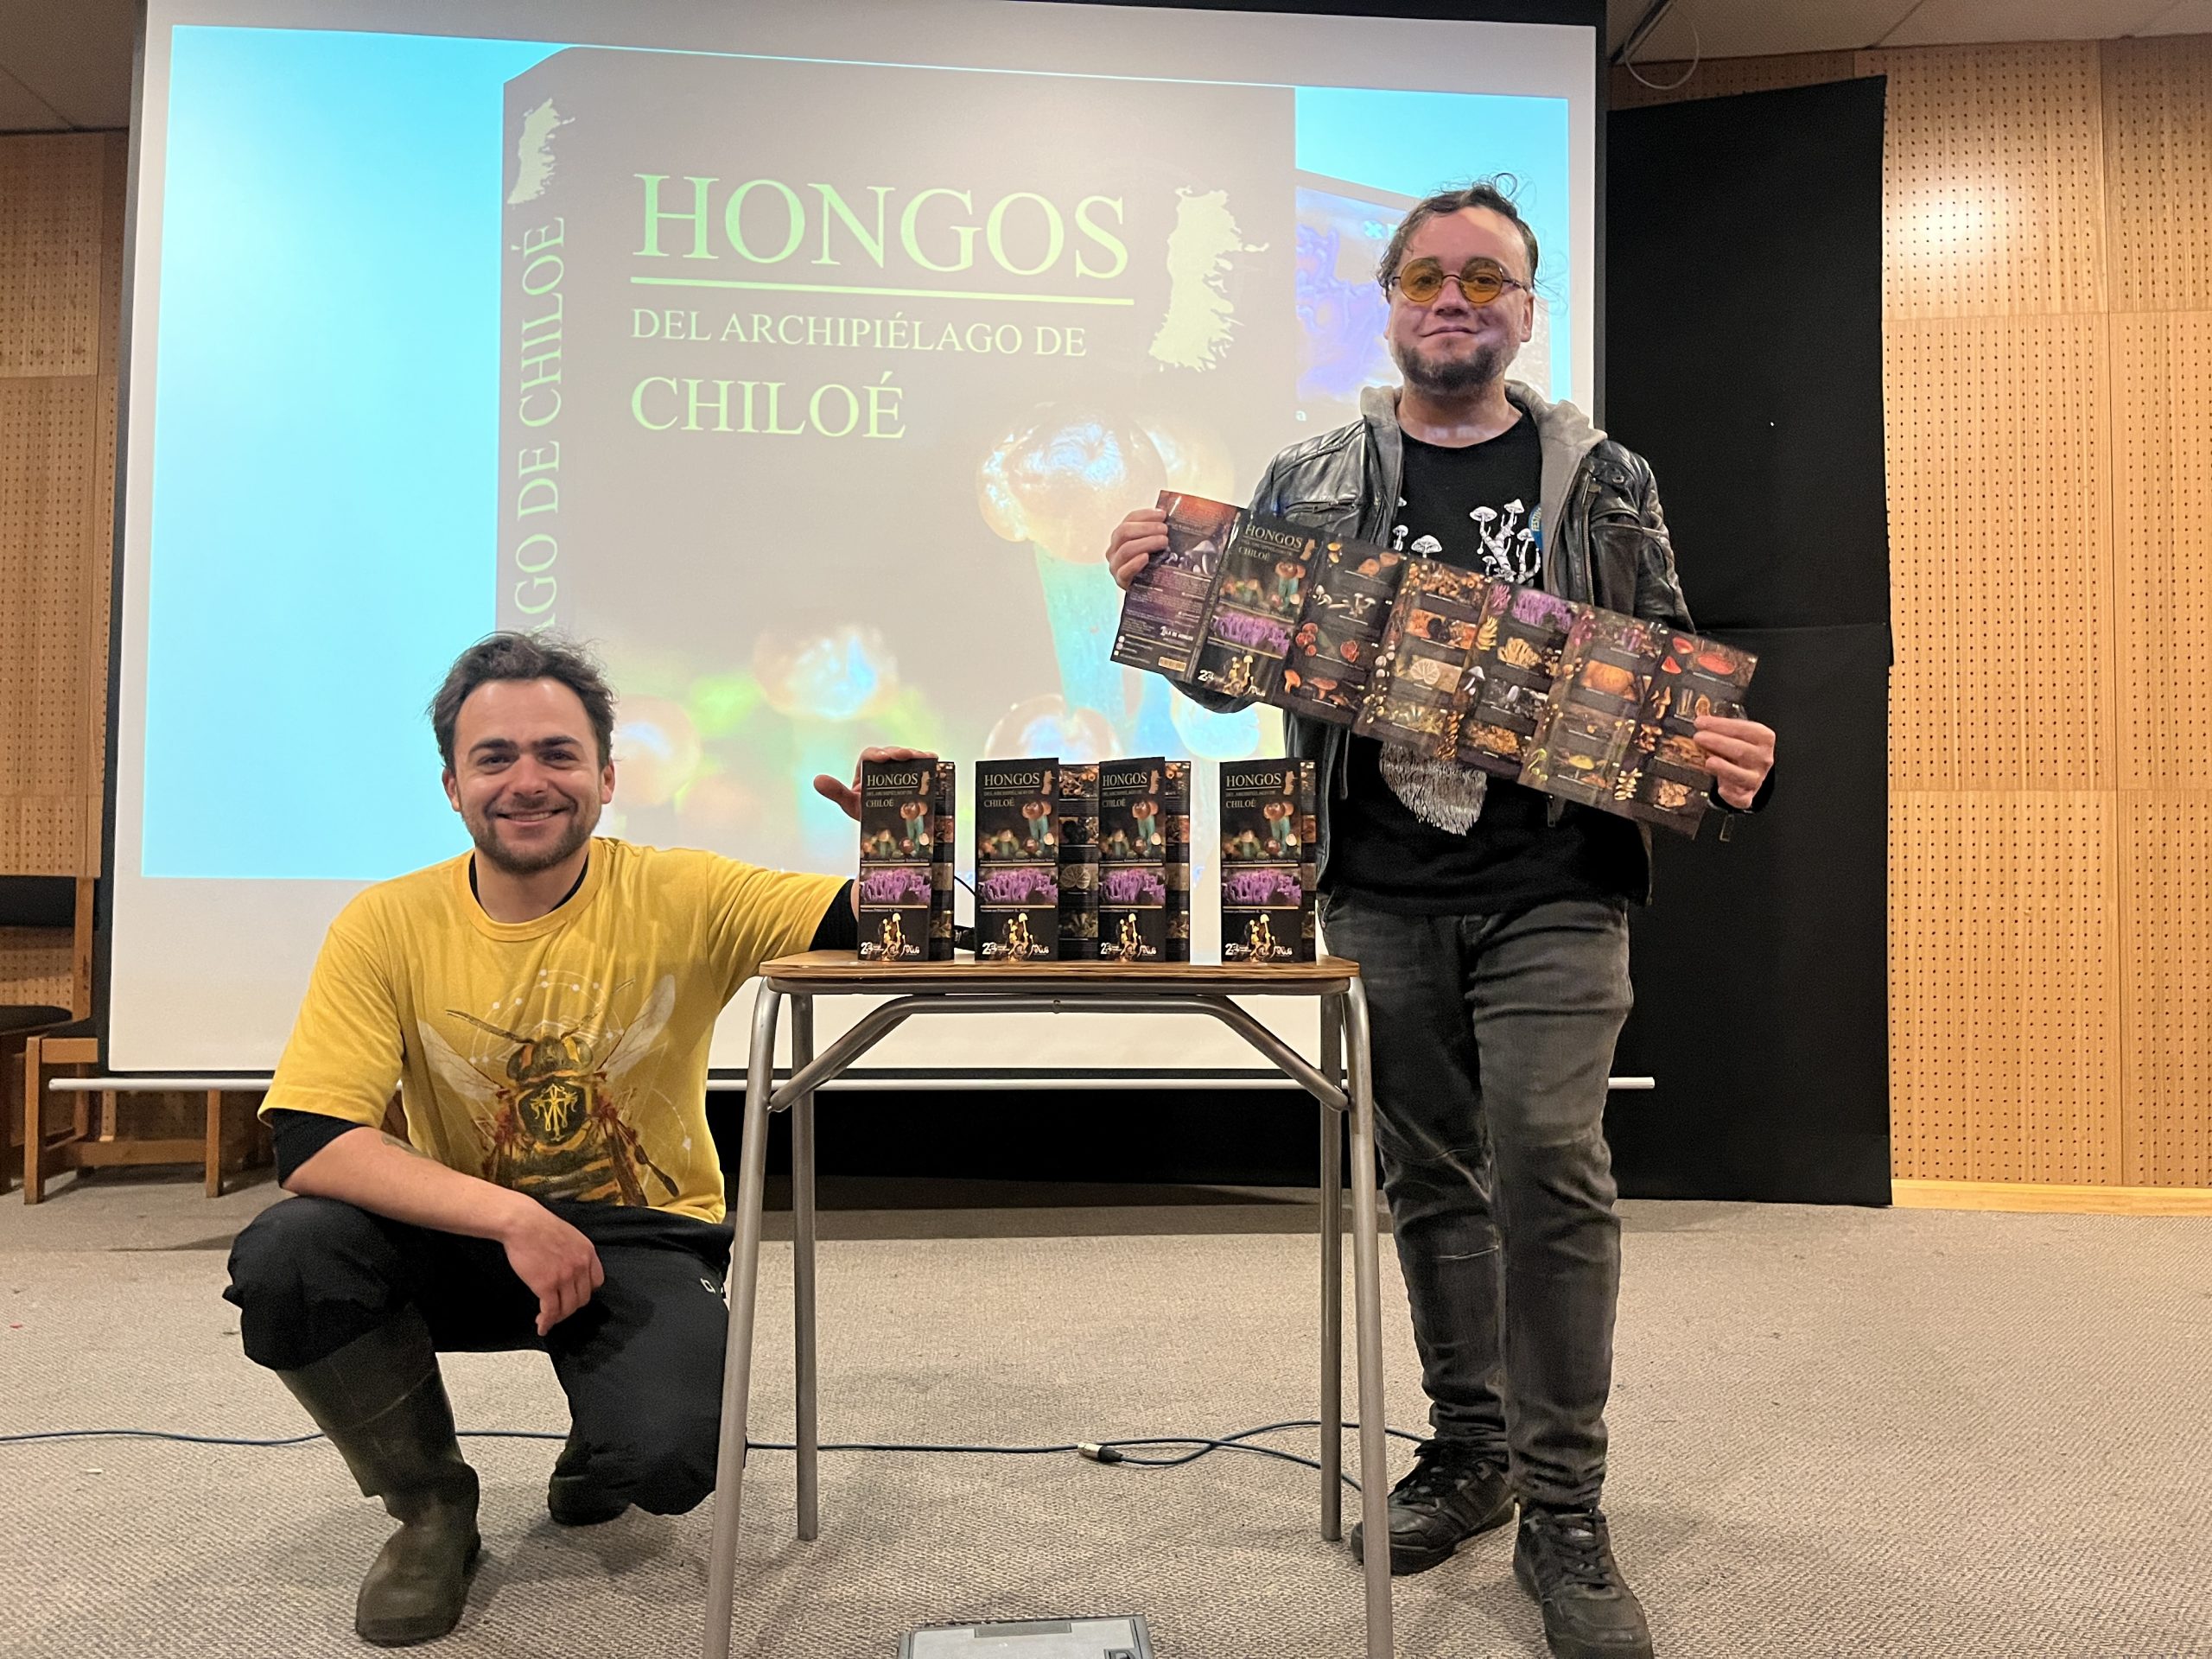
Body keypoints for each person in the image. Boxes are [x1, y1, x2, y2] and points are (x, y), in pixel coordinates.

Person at [1106, 181, 1777, 1659]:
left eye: (1486, 278)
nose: (1454, 299)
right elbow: (1233, 671)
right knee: (1427, 1177)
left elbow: (1666, 669)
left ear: (1527, 309)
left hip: (1557, 883)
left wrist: (1735, 756)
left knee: (1548, 1160)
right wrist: (1166, 594)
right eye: (1426, 277)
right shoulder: (1310, 475)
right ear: (1392, 303)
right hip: (1377, 883)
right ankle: (1471, 1452)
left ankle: (1565, 1509)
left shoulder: (1605, 477)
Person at [223, 632, 918, 1646]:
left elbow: (877, 924)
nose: (527, 781)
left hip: (642, 1232)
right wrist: (516, 1219)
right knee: (290, 1255)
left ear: (606, 777)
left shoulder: (683, 891)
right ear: (452, 786)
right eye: (494, 757)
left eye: (557, 753)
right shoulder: (384, 923)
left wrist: (904, 836)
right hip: (466, 1236)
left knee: (671, 1462)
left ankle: (603, 1439)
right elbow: (315, 1142)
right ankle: (430, 1509)